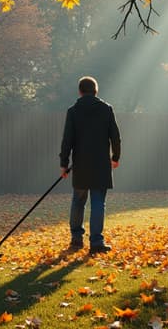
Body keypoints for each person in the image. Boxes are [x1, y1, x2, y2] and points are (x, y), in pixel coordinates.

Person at [60, 76, 121, 254]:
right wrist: (115, 157)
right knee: (97, 203)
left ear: (80, 91)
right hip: (101, 164)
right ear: (96, 90)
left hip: (81, 164)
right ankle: (96, 242)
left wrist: (64, 163)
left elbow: (67, 140)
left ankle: (76, 239)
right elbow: (115, 137)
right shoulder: (106, 109)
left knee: (78, 201)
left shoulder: (73, 111)